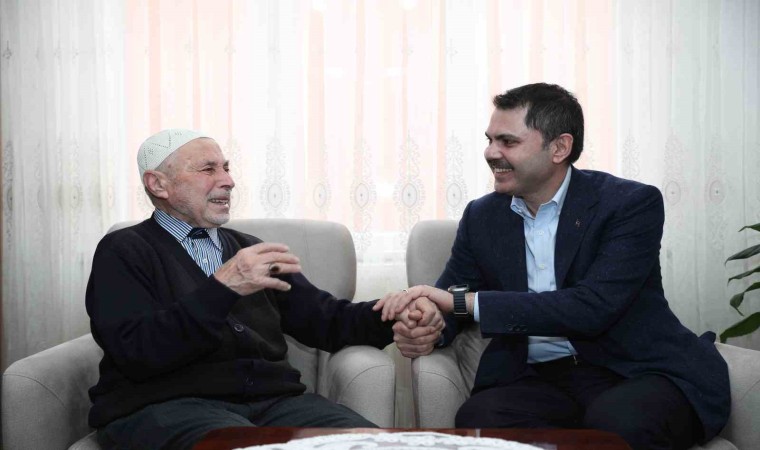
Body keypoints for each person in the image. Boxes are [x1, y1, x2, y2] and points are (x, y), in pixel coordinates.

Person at [377, 83, 730, 450]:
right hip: (541, 379)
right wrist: (429, 325)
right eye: (490, 140)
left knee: (614, 423)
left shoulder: (628, 205)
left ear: (559, 147)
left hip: (635, 371)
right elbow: (452, 294)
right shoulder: (483, 216)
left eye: (507, 142)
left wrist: (461, 303)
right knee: (479, 419)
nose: (490, 152)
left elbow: (592, 307)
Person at [86, 129, 442, 450]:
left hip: (275, 404)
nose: (228, 181)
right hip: (166, 407)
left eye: (226, 168)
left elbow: (328, 320)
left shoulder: (250, 249)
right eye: (208, 169)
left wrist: (396, 313)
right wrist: (223, 287)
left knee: (378, 446)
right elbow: (139, 351)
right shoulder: (123, 250)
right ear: (158, 184)